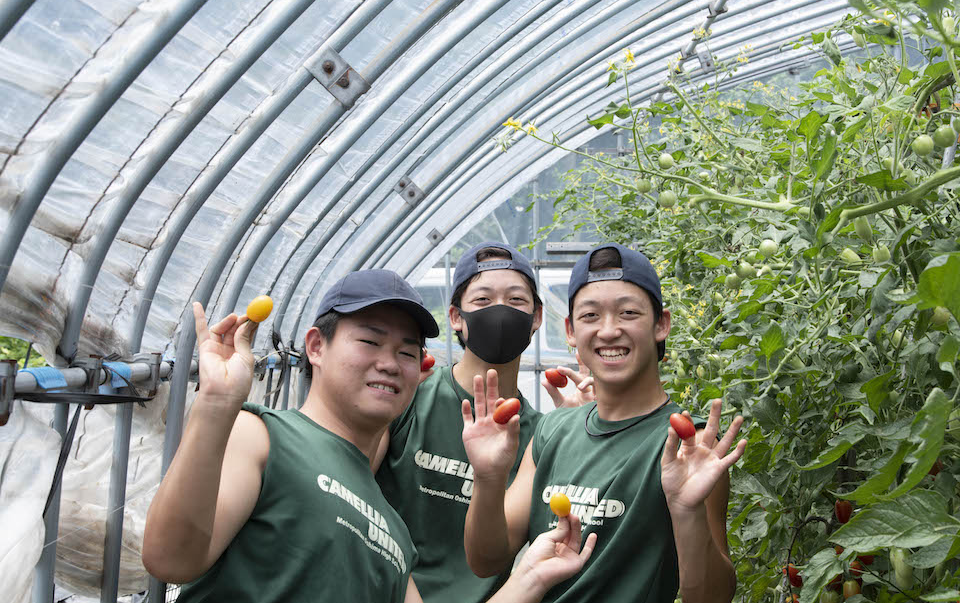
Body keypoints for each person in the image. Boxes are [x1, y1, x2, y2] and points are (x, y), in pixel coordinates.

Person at [142, 269, 595, 603]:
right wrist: (217, 406)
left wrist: (529, 579)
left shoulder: (395, 536)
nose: (388, 362)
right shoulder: (262, 437)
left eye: (406, 352)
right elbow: (172, 559)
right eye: (370, 342)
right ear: (316, 347)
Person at [462, 243, 747, 603]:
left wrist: (687, 511)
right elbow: (486, 560)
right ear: (570, 331)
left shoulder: (689, 447)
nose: (609, 331)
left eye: (628, 312)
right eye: (590, 316)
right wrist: (488, 478)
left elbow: (710, 598)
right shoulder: (553, 432)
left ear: (662, 324)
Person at [374, 242, 594, 603]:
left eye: (516, 301)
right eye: (482, 300)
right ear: (456, 317)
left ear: (537, 317)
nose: (500, 312)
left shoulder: (543, 436)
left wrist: (583, 427)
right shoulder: (409, 396)